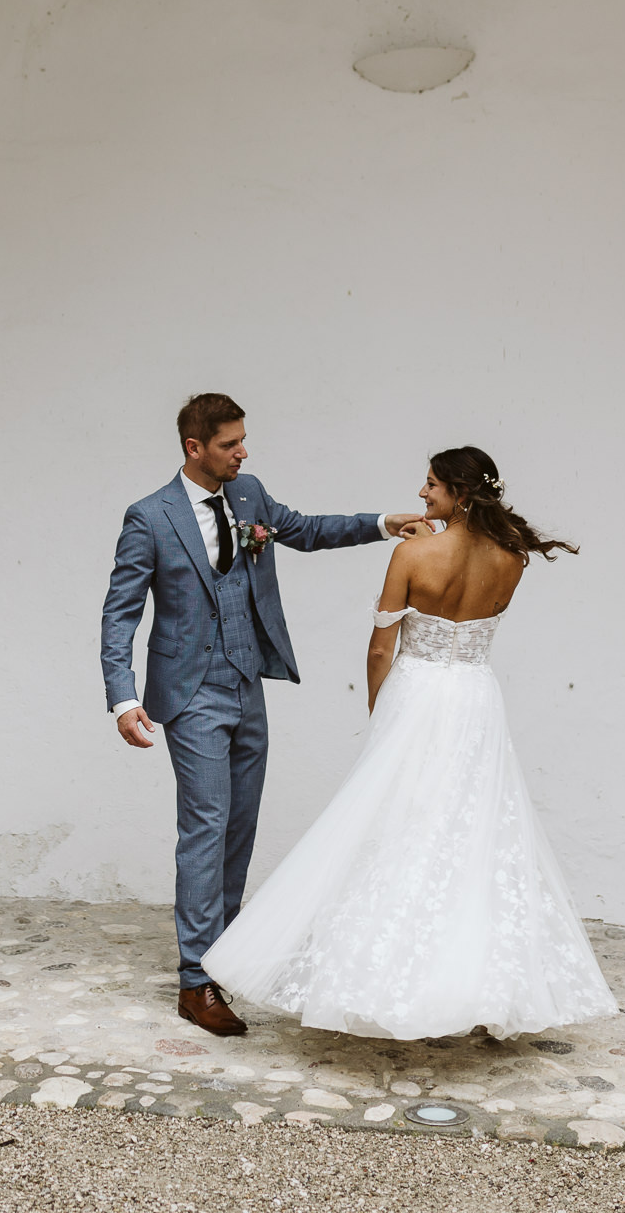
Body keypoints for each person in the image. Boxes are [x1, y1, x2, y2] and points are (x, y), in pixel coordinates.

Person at [202, 445, 618, 1040]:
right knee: (473, 832)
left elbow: (381, 646)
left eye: (430, 485)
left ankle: (388, 982)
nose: (422, 495)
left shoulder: (412, 554)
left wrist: (380, 703)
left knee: (397, 826)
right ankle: (473, 988)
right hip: (476, 697)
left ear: (460, 493)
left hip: (418, 694)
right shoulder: (513, 557)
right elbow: (479, 627)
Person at [100, 393, 423, 1036]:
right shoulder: (150, 516)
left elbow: (305, 530)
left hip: (250, 685)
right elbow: (121, 611)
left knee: (239, 827)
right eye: (229, 444)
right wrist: (123, 695)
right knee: (205, 825)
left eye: (243, 441)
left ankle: (221, 959)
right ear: (195, 448)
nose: (242, 452)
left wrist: (386, 523)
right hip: (190, 692)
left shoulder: (249, 496)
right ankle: (196, 982)